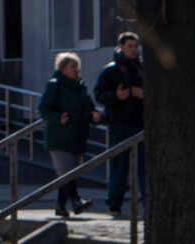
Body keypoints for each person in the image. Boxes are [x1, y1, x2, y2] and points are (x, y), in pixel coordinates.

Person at [93, 32, 146, 218]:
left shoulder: (141, 69)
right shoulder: (111, 70)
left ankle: (147, 203)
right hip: (119, 124)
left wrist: (143, 95)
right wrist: (116, 96)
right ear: (121, 47)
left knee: (144, 166)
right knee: (118, 165)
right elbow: (99, 94)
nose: (133, 49)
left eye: (135, 46)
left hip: (140, 124)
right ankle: (114, 203)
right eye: (130, 46)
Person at [39, 53, 97, 218]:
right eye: (72, 66)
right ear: (62, 68)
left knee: (69, 173)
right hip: (59, 137)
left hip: (77, 136)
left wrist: (94, 116)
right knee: (67, 172)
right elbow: (44, 109)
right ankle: (76, 201)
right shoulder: (55, 85)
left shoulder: (80, 87)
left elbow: (88, 107)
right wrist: (58, 118)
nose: (76, 70)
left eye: (77, 66)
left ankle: (61, 205)